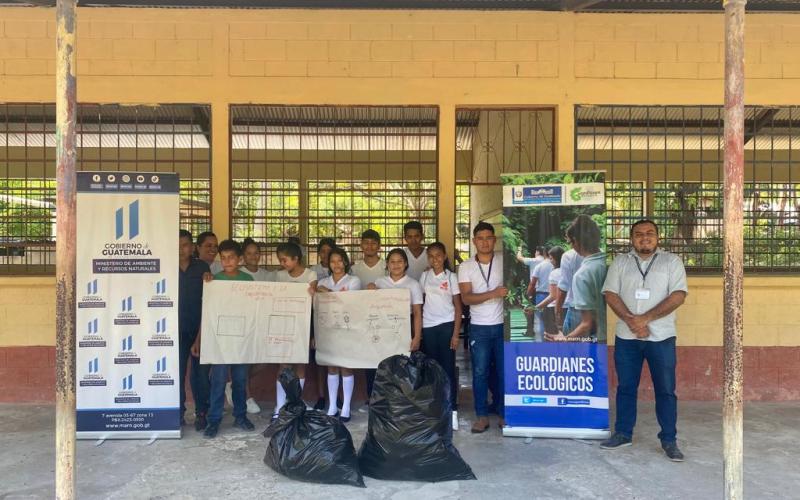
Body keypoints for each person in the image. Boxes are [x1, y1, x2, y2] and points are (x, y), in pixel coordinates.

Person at [600, 219, 688, 462]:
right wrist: (632, 321)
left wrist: (645, 319)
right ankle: (623, 433)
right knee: (626, 388)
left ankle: (669, 440)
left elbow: (678, 295)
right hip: (627, 337)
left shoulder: (672, 262)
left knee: (666, 390)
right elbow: (610, 293)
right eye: (639, 234)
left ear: (658, 237)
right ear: (631, 239)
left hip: (661, 337)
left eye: (650, 233)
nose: (644, 237)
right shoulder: (620, 262)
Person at [191, 239, 255, 438]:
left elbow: (254, 310)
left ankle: (240, 415)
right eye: (224, 258)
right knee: (218, 380)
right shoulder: (213, 280)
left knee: (239, 379)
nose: (227, 262)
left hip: (241, 339)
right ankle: (214, 419)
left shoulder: (248, 281)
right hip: (219, 340)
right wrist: (200, 338)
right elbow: (207, 312)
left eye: (231, 258)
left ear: (240, 259)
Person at [458, 221, 506, 433]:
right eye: (480, 238)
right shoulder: (466, 266)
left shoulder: (505, 261)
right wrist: (493, 294)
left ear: (494, 240)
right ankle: (481, 416)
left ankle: (505, 414)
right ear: (474, 241)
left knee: (505, 372)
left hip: (503, 326)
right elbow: (466, 299)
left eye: (489, 238)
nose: (485, 242)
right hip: (479, 327)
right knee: (480, 373)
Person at [419, 242, 462, 429]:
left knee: (447, 369)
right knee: (431, 369)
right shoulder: (424, 276)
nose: (435, 259)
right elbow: (419, 302)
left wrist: (455, 334)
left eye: (438, 255)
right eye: (431, 256)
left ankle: (451, 410)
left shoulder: (451, 277)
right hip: (429, 326)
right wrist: (419, 331)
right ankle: (434, 409)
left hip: (446, 326)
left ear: (445, 256)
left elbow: (458, 307)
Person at [273, 241, 318, 420]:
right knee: (283, 364)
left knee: (301, 363)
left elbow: (313, 294)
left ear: (296, 258)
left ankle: (296, 402)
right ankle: (280, 405)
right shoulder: (279, 275)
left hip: (304, 324)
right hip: (283, 324)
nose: (282, 263)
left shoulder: (310, 274)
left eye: (285, 260)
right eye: (280, 260)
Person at [317, 246, 362, 422]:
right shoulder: (323, 282)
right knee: (332, 367)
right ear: (328, 264)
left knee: (346, 366)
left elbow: (349, 303)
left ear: (345, 262)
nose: (336, 264)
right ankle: (332, 406)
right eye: (332, 261)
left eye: (339, 260)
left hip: (347, 329)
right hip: (328, 330)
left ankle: (346, 407)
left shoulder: (353, 281)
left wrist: (328, 294)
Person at [545, 215, 606, 341]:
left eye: (570, 242)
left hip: (578, 312)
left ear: (576, 241)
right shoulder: (608, 262)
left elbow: (586, 323)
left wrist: (564, 339)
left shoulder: (582, 274)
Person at [178, 229, 211, 431]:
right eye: (177, 245)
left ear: (192, 247)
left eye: (184, 245)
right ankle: (178, 413)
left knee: (201, 376)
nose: (181, 250)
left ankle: (201, 413)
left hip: (199, 329)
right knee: (177, 373)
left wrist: (200, 334)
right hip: (175, 331)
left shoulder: (202, 268)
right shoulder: (164, 266)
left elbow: (209, 301)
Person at [350, 229, 387, 409]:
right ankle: (371, 394)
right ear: (361, 245)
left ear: (379, 246)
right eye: (366, 242)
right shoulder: (355, 268)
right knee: (368, 358)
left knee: (385, 356)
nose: (370, 246)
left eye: (374, 243)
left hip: (385, 318)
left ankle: (384, 395)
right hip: (363, 318)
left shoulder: (387, 266)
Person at [238, 237, 272, 415]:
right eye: (249, 253)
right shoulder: (237, 272)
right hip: (245, 322)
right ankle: (247, 396)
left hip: (263, 322)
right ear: (243, 255)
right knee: (245, 360)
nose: (253, 256)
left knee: (263, 361)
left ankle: (235, 383)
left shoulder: (267, 275)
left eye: (256, 253)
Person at [371, 248, 424, 353]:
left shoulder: (413, 284)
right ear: (387, 264)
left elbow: (417, 312)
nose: (396, 265)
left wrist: (417, 337)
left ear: (405, 263)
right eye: (392, 262)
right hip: (383, 327)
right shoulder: (379, 282)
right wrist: (369, 288)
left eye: (400, 261)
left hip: (406, 328)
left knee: (402, 361)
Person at [534, 246, 565, 337]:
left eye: (551, 258)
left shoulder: (554, 273)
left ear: (556, 259)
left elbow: (552, 296)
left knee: (551, 338)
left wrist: (536, 308)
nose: (550, 261)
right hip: (567, 308)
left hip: (553, 309)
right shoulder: (569, 272)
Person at [555, 246, 584, 335]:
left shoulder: (568, 256)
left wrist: (557, 312)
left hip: (576, 308)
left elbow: (563, 288)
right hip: (598, 309)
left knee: (572, 344)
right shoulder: (601, 255)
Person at [528, 247, 554, 341]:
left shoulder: (539, 266)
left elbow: (533, 282)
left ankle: (543, 342)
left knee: (541, 320)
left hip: (541, 295)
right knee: (552, 320)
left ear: (544, 253)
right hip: (554, 296)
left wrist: (529, 293)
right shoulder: (556, 265)